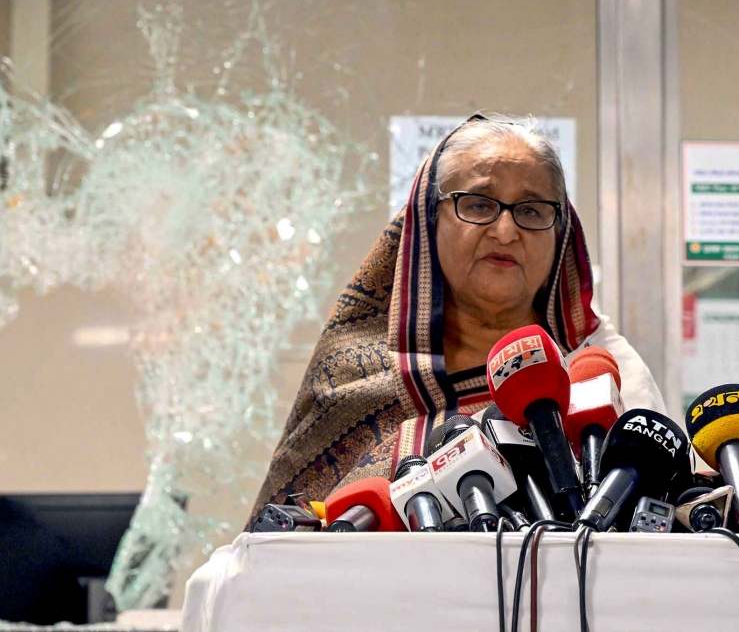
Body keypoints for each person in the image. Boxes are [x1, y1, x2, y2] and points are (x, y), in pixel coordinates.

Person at [247, 115, 666, 522]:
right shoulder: (352, 375)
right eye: (480, 205)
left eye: (532, 210)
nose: (505, 231)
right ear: (431, 220)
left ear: (561, 234)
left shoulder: (604, 373)